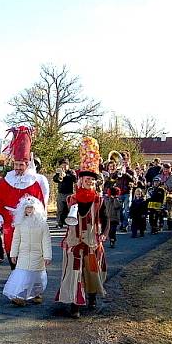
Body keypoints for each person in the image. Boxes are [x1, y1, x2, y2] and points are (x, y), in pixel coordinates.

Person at [55, 136, 108, 318]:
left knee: (92, 272)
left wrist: (104, 235)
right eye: (87, 180)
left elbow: (105, 219)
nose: (90, 183)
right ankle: (75, 304)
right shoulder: (72, 199)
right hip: (74, 241)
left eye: (92, 181)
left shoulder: (99, 200)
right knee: (74, 272)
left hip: (93, 241)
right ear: (81, 181)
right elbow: (62, 217)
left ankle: (92, 297)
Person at [0, 126, 45, 269]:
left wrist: (38, 217)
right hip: (9, 221)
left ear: (27, 165)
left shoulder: (34, 183)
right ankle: (14, 271)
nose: (18, 167)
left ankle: (23, 274)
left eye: (21, 165)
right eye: (16, 164)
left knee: (26, 249)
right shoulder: (5, 181)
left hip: (28, 222)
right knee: (9, 246)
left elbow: (40, 203)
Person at [3, 196, 51, 306]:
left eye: (31, 208)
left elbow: (46, 241)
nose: (29, 210)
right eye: (26, 208)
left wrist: (47, 256)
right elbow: (16, 240)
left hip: (38, 255)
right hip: (23, 254)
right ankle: (20, 297)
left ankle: (36, 294)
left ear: (36, 209)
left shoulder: (42, 224)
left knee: (36, 276)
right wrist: (13, 254)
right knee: (23, 276)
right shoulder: (20, 224)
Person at [53, 158, 77, 228]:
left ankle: (70, 224)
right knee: (60, 209)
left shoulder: (71, 172)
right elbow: (55, 179)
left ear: (68, 165)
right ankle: (59, 223)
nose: (64, 167)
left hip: (69, 193)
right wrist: (59, 176)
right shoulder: (59, 171)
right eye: (63, 165)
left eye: (66, 165)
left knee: (70, 209)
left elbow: (75, 179)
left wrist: (66, 175)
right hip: (61, 193)